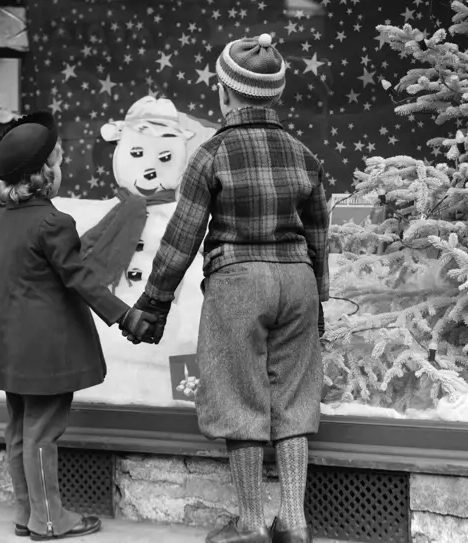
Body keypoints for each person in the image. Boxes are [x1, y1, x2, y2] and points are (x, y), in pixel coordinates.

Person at [126, 34, 329, 543]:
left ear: (224, 93)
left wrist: (154, 302)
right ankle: (296, 523)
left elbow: (182, 237)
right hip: (297, 279)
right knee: (294, 397)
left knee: (239, 396)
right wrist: (318, 299)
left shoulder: (211, 154)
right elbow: (320, 235)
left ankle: (253, 524)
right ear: (274, 95)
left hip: (238, 281)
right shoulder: (304, 156)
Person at [0, 111, 158, 541]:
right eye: (60, 161)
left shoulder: (1, 225)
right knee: (42, 431)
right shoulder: (53, 222)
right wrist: (125, 315)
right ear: (46, 174)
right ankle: (49, 519)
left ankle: (26, 512)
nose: (63, 168)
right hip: (43, 351)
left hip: (9, 348)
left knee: (19, 428)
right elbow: (80, 277)